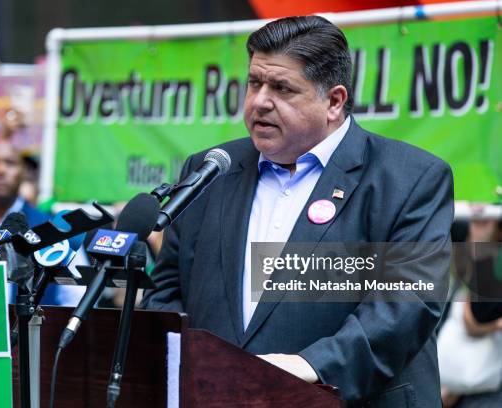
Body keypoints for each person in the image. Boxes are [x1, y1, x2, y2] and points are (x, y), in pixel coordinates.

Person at [141, 16, 454, 407]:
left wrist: (310, 367)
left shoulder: (410, 178)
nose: (259, 101)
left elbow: (407, 305)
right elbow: (167, 292)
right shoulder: (211, 170)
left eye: (282, 88)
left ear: (334, 102)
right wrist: (196, 366)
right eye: (254, 83)